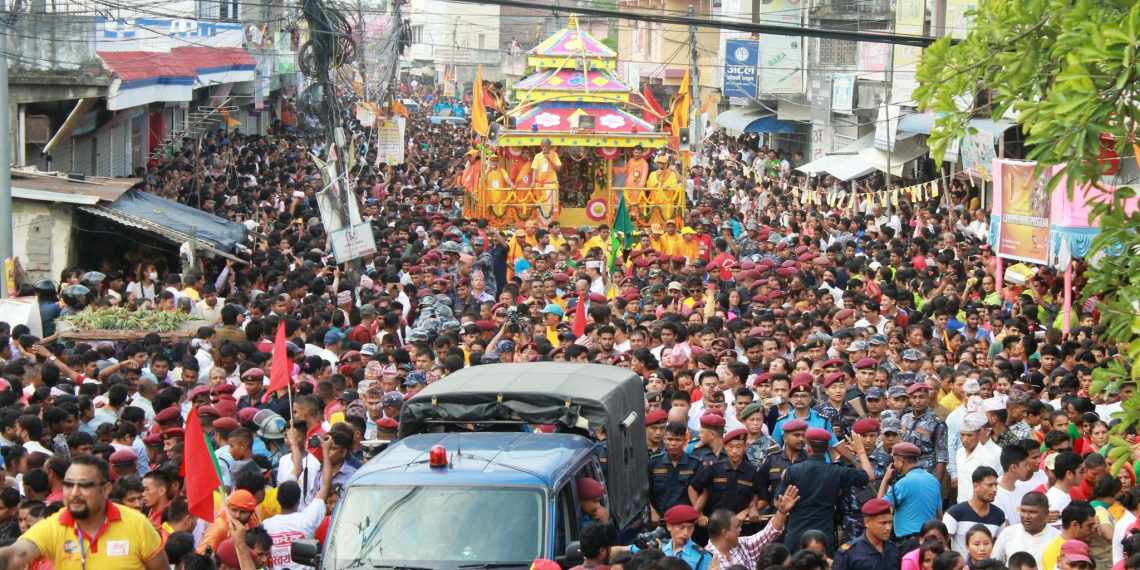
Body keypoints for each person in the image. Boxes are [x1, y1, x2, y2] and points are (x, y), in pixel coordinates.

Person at [0, 454, 169, 569]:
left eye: (84, 485)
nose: (74, 493)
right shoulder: (53, 526)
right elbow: (16, 554)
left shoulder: (137, 524)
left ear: (106, 489)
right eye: (69, 484)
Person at [779, 427, 870, 553]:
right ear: (827, 448)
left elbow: (777, 501)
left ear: (808, 447)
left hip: (796, 534)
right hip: (823, 535)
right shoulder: (837, 471)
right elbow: (868, 476)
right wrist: (861, 452)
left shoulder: (793, 470)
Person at [880, 442, 942, 546]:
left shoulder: (903, 483)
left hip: (909, 542)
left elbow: (879, 507)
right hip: (931, 541)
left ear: (900, 461)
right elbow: (940, 514)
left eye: (894, 460)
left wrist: (885, 480)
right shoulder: (933, 480)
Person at [943, 466, 1006, 554]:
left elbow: (1000, 547)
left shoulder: (999, 515)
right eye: (990, 485)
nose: (994, 489)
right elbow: (943, 545)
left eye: (996, 485)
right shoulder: (954, 513)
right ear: (976, 486)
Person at [992, 492, 1059, 568]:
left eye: (1032, 512)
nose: (1026, 516)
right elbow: (994, 565)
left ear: (1046, 513)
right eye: (1023, 511)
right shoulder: (1008, 533)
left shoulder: (1057, 538)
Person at [832, 498, 901, 570]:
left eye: (890, 522)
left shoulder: (894, 549)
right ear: (867, 523)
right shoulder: (849, 553)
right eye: (883, 523)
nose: (888, 528)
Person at [1042, 502, 1098, 570]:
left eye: (1082, 566)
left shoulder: (1083, 543)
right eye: (1089, 526)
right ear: (1075, 524)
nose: (1093, 529)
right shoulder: (1055, 550)